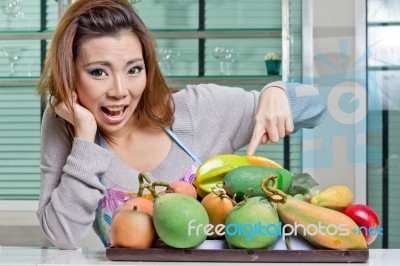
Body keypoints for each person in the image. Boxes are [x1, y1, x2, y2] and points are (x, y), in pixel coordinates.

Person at [36, 0, 326, 250]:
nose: (119, 90)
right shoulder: (67, 124)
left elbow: (316, 105)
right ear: (70, 74)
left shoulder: (198, 110)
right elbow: (64, 236)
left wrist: (276, 92)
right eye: (98, 72)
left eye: (134, 69)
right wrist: (85, 138)